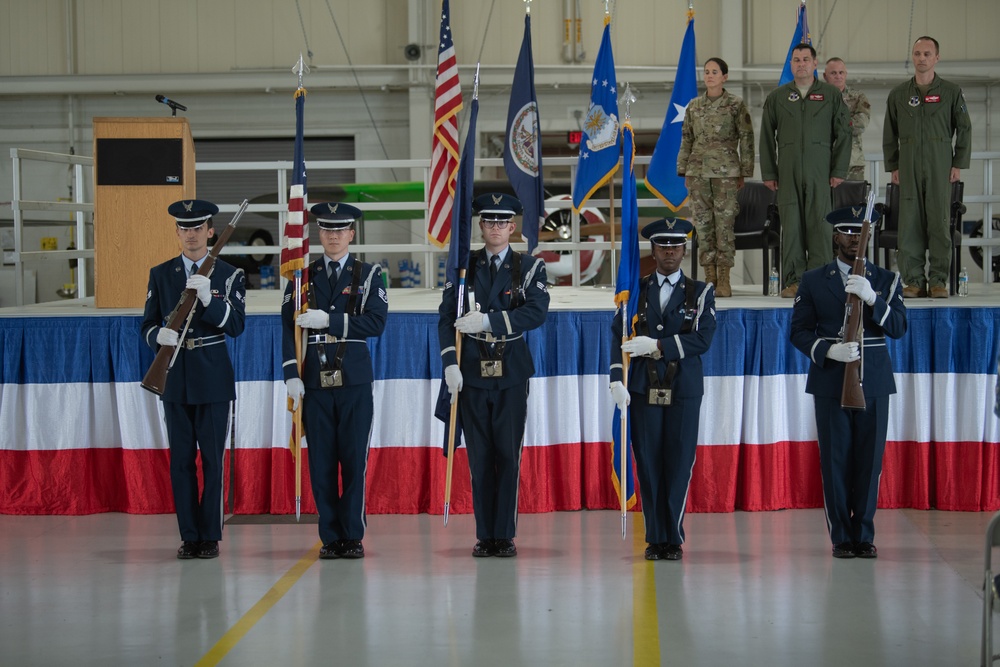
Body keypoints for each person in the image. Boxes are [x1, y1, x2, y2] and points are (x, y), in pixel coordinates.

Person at [790, 206, 907, 559]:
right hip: (830, 381)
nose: (854, 239)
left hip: (873, 381)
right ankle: (841, 536)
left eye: (861, 233)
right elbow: (798, 332)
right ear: (835, 236)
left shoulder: (887, 280)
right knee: (836, 460)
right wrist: (828, 351)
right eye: (847, 232)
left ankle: (864, 535)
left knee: (869, 462)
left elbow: (899, 328)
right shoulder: (813, 280)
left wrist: (873, 299)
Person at [438, 193, 549, 558]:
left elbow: (535, 313)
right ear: (481, 226)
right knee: (480, 458)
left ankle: (506, 535)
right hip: (471, 369)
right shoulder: (462, 265)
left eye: (503, 222)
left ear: (513, 227)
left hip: (511, 370)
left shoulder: (530, 267)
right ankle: (486, 535)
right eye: (489, 221)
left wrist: (488, 320)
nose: (496, 227)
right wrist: (450, 362)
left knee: (508, 455)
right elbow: (445, 319)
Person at [141, 199, 246, 560]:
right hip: (174, 376)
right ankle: (189, 535)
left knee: (214, 461)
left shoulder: (229, 274)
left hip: (213, 377)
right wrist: (158, 336)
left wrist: (208, 299)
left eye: (198, 228)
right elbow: (147, 324)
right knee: (181, 461)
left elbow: (236, 326)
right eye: (184, 228)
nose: (191, 234)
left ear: (210, 231)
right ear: (176, 232)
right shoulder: (162, 273)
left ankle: (210, 536)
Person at [283, 202, 388, 560]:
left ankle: (353, 534)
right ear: (318, 234)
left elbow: (376, 323)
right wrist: (290, 374)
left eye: (340, 230)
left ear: (351, 234)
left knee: (354, 460)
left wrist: (330, 320)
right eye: (326, 230)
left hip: (354, 379)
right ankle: (330, 535)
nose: (333, 236)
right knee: (323, 462)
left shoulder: (370, 274)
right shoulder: (301, 276)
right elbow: (287, 327)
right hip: (314, 378)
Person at [609, 218, 716, 561]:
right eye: (662, 246)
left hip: (683, 389)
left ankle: (674, 535)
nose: (669, 251)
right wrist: (616, 378)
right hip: (643, 388)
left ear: (684, 251)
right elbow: (617, 336)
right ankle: (655, 538)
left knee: (679, 463)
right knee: (650, 463)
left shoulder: (701, 292)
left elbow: (702, 338)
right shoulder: (635, 291)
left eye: (676, 246)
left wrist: (657, 345)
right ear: (653, 251)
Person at [760, 43, 852, 298]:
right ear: (791, 64)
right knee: (791, 228)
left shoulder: (831, 96)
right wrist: (769, 172)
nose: (801, 64)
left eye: (805, 59)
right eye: (796, 60)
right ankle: (793, 281)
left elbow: (844, 134)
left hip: (820, 171)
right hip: (788, 171)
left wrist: (839, 169)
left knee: (820, 227)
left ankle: (821, 281)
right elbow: (767, 136)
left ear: (814, 64)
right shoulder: (778, 97)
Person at [884, 36, 972, 299]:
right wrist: (893, 165)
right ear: (913, 57)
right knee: (908, 223)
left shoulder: (951, 92)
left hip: (940, 162)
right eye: (917, 53)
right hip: (908, 163)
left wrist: (958, 163)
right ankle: (913, 281)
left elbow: (964, 128)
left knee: (939, 222)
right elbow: (890, 133)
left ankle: (938, 281)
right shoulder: (899, 94)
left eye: (927, 54)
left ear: (936, 58)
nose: (921, 58)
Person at [677, 56, 755, 298]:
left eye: (714, 71)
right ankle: (709, 277)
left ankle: (724, 279)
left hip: (726, 173)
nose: (709, 75)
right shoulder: (694, 106)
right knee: (703, 226)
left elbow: (747, 137)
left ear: (725, 76)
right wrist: (684, 169)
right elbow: (687, 137)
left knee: (724, 225)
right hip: (698, 172)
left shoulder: (735, 104)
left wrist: (745, 170)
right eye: (707, 71)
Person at [823, 57, 871, 181]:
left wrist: (832, 123)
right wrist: (846, 122)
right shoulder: (818, 99)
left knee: (853, 200)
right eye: (833, 73)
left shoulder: (858, 97)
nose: (838, 76)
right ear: (825, 76)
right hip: (824, 163)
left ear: (846, 74)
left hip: (852, 164)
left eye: (841, 72)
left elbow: (861, 124)